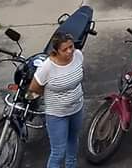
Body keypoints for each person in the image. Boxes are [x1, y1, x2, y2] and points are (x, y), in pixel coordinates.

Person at [29, 31, 86, 168]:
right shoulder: (47, 67)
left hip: (77, 108)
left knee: (73, 140)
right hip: (57, 115)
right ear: (55, 50)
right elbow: (34, 88)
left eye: (71, 46)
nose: (69, 51)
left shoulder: (78, 55)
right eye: (64, 49)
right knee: (58, 152)